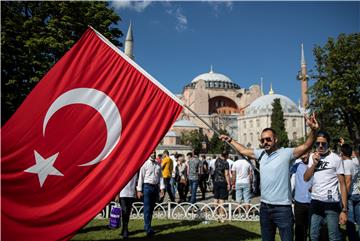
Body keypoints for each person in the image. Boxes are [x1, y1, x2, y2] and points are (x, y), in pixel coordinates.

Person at [220, 113, 319, 241]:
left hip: (282, 208)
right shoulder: (261, 154)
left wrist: (313, 130)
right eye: (262, 140)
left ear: (275, 139)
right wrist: (230, 140)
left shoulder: (286, 153)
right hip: (265, 207)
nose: (265, 142)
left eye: (268, 139)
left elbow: (306, 146)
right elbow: (244, 151)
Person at [303, 130, 348, 241]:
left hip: (331, 203)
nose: (320, 146)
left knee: (333, 237)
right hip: (315, 202)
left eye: (323, 143)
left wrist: (344, 210)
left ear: (328, 144)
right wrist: (314, 164)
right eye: (318, 143)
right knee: (313, 236)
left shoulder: (336, 158)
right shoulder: (312, 157)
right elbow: (306, 178)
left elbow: (342, 184)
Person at [137, 151, 165, 237]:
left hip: (155, 187)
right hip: (147, 187)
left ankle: (147, 225)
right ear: (149, 153)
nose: (153, 154)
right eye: (152, 152)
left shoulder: (158, 164)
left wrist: (162, 189)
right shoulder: (145, 164)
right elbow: (140, 177)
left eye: (154, 153)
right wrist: (139, 190)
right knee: (147, 208)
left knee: (152, 208)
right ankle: (148, 228)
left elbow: (161, 177)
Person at [342, 144, 360, 241]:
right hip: (357, 192)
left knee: (350, 222)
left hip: (350, 195)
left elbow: (347, 181)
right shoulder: (355, 162)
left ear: (342, 153)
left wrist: (344, 196)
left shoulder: (346, 164)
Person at [293, 152, 312, 241]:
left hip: (312, 201)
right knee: (300, 229)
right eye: (302, 154)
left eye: (306, 153)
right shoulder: (296, 165)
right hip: (299, 202)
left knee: (313, 229)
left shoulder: (314, 165)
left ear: (310, 153)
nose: (304, 156)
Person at [115, 173, 139, 239]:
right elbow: (118, 182)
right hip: (123, 194)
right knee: (124, 211)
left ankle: (124, 229)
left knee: (127, 213)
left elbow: (136, 182)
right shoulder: (124, 170)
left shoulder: (135, 171)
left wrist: (137, 191)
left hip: (131, 194)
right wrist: (117, 194)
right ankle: (125, 230)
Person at [213, 150, 231, 222]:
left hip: (216, 181)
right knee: (221, 198)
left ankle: (216, 214)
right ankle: (222, 214)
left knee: (215, 197)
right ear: (226, 155)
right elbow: (226, 174)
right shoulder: (226, 163)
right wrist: (229, 183)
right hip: (223, 181)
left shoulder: (217, 161)